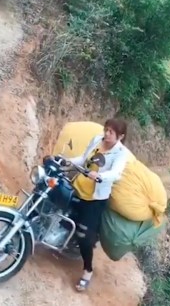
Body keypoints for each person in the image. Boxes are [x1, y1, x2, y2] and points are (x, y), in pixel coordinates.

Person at [62, 118, 130, 292]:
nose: (106, 134)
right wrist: (66, 161)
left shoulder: (121, 153)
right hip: (78, 187)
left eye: (111, 132)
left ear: (120, 136)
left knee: (84, 235)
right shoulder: (96, 140)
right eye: (106, 130)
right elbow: (84, 159)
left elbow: (116, 174)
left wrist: (100, 176)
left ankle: (87, 271)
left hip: (95, 199)